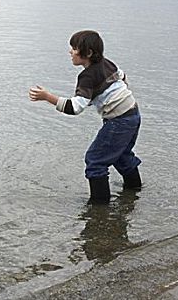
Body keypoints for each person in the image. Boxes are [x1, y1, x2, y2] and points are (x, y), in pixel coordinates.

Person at [28, 30, 142, 203]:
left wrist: (47, 97)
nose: (70, 52)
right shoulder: (107, 63)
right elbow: (122, 77)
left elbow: (75, 108)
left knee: (95, 161)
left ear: (87, 53)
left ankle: (99, 207)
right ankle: (135, 191)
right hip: (133, 113)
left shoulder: (86, 77)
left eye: (74, 48)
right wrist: (110, 98)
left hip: (119, 121)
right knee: (122, 155)